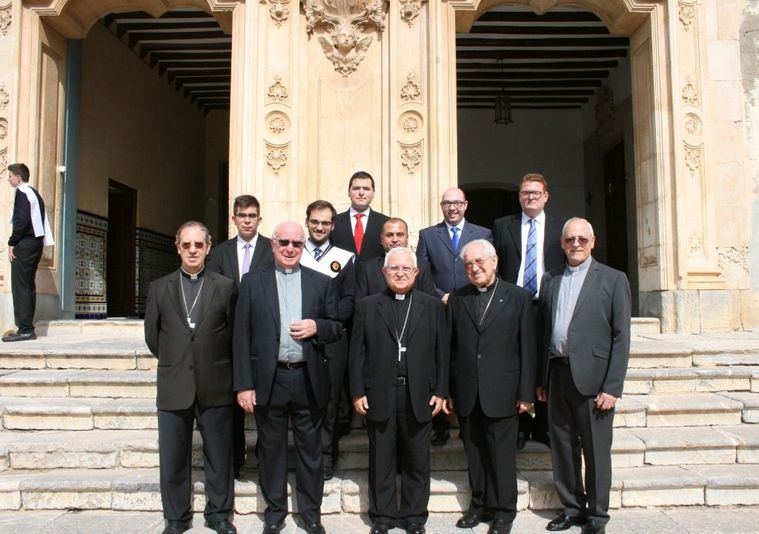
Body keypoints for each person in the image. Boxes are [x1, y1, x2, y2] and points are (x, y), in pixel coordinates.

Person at [234, 221, 342, 534]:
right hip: (270, 378)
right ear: (272, 244)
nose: (290, 248)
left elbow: (338, 326)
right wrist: (243, 384)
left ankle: (311, 513)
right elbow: (241, 337)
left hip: (308, 378)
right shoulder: (253, 283)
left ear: (304, 245)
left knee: (311, 451)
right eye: (284, 242)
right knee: (271, 450)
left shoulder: (321, 282)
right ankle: (275, 511)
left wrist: (318, 327)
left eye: (296, 243)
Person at [536, 218, 631, 534]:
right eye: (569, 239)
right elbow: (543, 331)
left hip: (594, 381)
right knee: (562, 448)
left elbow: (621, 337)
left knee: (596, 452)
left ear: (593, 241)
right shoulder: (550, 279)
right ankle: (572, 507)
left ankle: (597, 515)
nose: (575, 244)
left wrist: (613, 386)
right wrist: (541, 379)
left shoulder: (614, 279)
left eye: (581, 239)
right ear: (562, 243)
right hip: (558, 375)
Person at [144, 221, 237, 534]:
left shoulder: (225, 286)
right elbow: (153, 337)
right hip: (174, 383)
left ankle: (220, 514)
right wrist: (178, 360)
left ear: (209, 247)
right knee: (172, 456)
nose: (193, 250)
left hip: (216, 381)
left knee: (219, 455)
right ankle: (176, 517)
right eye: (187, 245)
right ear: (177, 246)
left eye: (199, 244)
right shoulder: (159, 287)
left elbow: (233, 334)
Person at [349, 247, 449, 534]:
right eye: (394, 269)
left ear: (416, 273)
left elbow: (442, 352)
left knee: (417, 458)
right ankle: (382, 516)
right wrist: (357, 391)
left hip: (419, 393)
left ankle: (415, 516)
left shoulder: (431, 306)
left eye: (406, 268)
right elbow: (357, 353)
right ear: (384, 272)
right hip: (379, 393)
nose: (400, 273)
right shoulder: (367, 306)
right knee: (381, 458)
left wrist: (441, 391)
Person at [446, 239, 535, 534]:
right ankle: (479, 505)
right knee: (474, 454)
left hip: (504, 391)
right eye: (468, 264)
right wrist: (447, 390)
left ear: (494, 261)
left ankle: (504, 511)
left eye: (480, 262)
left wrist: (526, 393)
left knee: (501, 456)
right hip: (468, 392)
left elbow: (527, 348)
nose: (474, 268)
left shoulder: (518, 297)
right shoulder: (458, 299)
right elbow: (450, 348)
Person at [492, 173, 563, 449]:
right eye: (524, 193)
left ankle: (543, 425)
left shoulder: (560, 227)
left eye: (535, 193)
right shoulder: (502, 225)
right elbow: (494, 263)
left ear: (546, 196)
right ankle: (520, 426)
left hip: (547, 304)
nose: (529, 197)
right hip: (513, 304)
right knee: (516, 362)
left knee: (546, 363)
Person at [416, 187, 492, 446]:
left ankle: (469, 416)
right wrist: (441, 296)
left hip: (473, 305)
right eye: (447, 203)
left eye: (457, 203)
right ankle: (440, 424)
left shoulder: (483, 234)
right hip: (441, 307)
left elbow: (486, 269)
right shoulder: (427, 235)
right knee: (440, 360)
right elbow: (422, 274)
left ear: (466, 205)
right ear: (441, 206)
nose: (452, 207)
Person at [207, 194, 273, 478]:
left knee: (264, 403)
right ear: (233, 218)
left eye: (252, 215)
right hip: (227, 336)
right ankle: (234, 460)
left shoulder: (272, 249)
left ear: (259, 219)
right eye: (242, 215)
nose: (247, 220)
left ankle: (265, 459)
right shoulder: (220, 253)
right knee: (231, 400)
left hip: (262, 337)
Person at [300, 200, 356, 480]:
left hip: (334, 341)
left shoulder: (345, 258)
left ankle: (326, 455)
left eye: (325, 222)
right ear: (307, 222)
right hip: (300, 338)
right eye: (314, 222)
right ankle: (305, 455)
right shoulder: (294, 253)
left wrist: (322, 320)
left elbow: (348, 302)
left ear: (333, 225)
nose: (319, 227)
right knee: (304, 398)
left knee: (331, 399)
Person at [3, 163, 54, 342]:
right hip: (35, 244)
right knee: (27, 285)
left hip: (25, 244)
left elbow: (21, 221)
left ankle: (25, 329)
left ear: (18, 176)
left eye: (10, 176)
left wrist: (12, 242)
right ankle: (26, 327)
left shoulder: (22, 193)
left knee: (21, 286)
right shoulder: (34, 194)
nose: (8, 179)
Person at [355, 218, 435, 300]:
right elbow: (361, 304)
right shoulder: (368, 268)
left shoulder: (421, 266)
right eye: (389, 235)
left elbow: (428, 302)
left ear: (407, 237)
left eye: (400, 235)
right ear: (381, 239)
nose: (395, 240)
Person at [330, 171, 389, 272]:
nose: (361, 193)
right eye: (356, 188)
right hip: (341, 283)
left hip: (375, 283)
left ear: (373, 193)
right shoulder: (334, 222)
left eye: (366, 189)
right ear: (348, 192)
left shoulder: (385, 223)